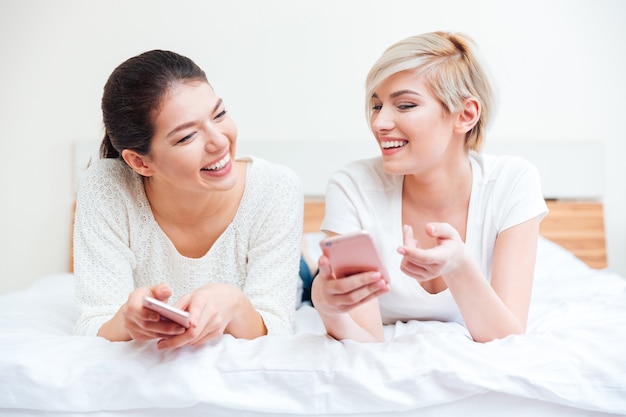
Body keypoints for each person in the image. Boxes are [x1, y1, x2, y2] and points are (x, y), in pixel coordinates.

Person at [311, 31, 548, 343]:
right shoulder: (353, 186)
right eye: (377, 105)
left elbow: (506, 338)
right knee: (307, 276)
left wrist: (459, 265)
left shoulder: (512, 183)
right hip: (307, 274)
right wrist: (327, 308)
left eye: (405, 105)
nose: (380, 123)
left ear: (465, 115)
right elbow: (365, 341)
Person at [73, 50, 303, 350]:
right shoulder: (107, 187)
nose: (220, 141)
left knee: (308, 276)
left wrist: (233, 303)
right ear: (140, 163)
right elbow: (93, 325)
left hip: (298, 274)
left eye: (219, 115)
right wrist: (125, 321)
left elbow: (276, 327)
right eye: (186, 137)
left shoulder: (276, 188)